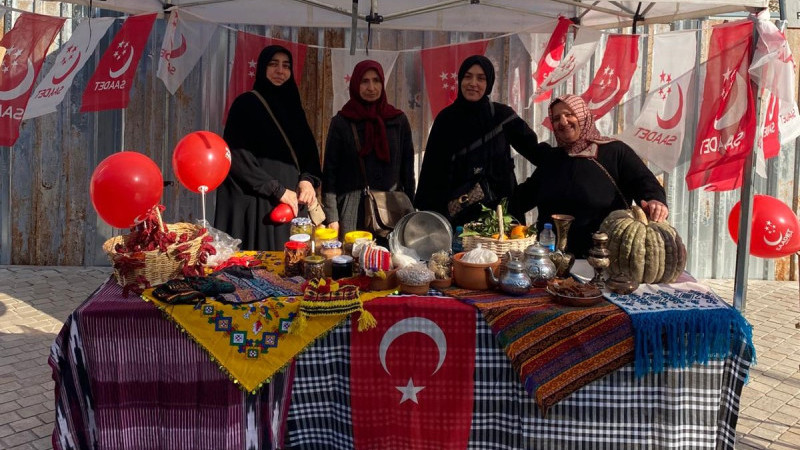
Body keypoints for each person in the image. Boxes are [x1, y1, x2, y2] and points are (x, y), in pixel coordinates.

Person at [511, 94, 668, 258]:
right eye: (556, 118)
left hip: (604, 261)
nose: (563, 122)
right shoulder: (552, 159)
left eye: (569, 114)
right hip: (552, 261)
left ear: (583, 116)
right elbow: (523, 198)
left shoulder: (614, 152)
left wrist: (655, 200)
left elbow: (644, 181)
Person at [415, 55, 546, 227]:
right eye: (468, 76)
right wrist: (431, 220)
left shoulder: (502, 116)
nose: (473, 83)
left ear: (489, 83)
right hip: (459, 218)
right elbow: (432, 172)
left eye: (481, 78)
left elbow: (537, 153)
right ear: (460, 80)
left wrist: (567, 155)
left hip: (501, 217)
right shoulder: (446, 119)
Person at [214, 45, 322, 251]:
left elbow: (308, 152)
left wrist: (307, 181)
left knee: (292, 262)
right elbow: (238, 157)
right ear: (262, 68)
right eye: (273, 64)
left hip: (291, 205)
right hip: (259, 204)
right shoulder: (246, 104)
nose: (280, 71)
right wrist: (277, 190)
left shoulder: (294, 109)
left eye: (286, 66)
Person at [321, 59, 415, 238]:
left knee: (388, 255)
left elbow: (408, 171)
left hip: (390, 212)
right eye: (364, 81)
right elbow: (330, 173)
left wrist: (409, 209)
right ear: (356, 84)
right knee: (352, 254)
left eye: (376, 80)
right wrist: (332, 217)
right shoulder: (342, 122)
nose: (371, 87)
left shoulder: (398, 121)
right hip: (351, 212)